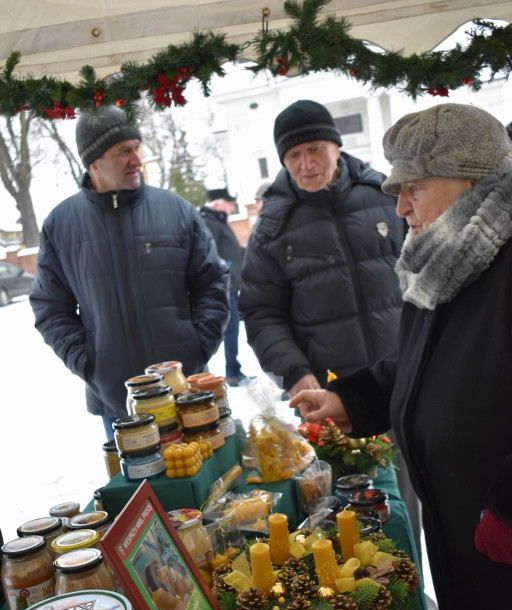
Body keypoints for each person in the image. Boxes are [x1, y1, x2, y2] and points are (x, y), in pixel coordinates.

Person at [290, 103, 512, 610]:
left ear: (470, 180)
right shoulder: (444, 262)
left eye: (413, 187)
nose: (401, 208)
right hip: (473, 544)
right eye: (395, 191)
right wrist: (352, 397)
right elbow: (424, 370)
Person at [237, 99, 423, 567]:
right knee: (352, 507)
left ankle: (417, 582)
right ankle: (370, 592)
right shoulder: (273, 226)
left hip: (407, 374)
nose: (306, 164)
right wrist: (297, 373)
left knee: (417, 494)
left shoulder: (386, 196)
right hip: (334, 397)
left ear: (337, 148)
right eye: (293, 157)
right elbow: (260, 311)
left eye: (316, 150)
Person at [30, 106, 230, 438]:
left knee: (206, 486)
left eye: (137, 147)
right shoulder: (60, 226)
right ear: (94, 162)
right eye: (124, 151)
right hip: (117, 406)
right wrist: (91, 365)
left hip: (187, 395)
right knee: (141, 491)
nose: (137, 159)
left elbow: (212, 282)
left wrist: (197, 347)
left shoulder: (177, 211)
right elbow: (50, 309)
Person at [200, 188, 247, 386]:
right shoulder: (210, 222)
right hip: (225, 285)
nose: (231, 208)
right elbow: (212, 253)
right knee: (229, 329)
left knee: (232, 329)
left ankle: (233, 369)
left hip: (232, 284)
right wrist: (227, 270)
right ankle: (230, 372)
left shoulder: (218, 221)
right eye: (230, 204)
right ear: (219, 204)